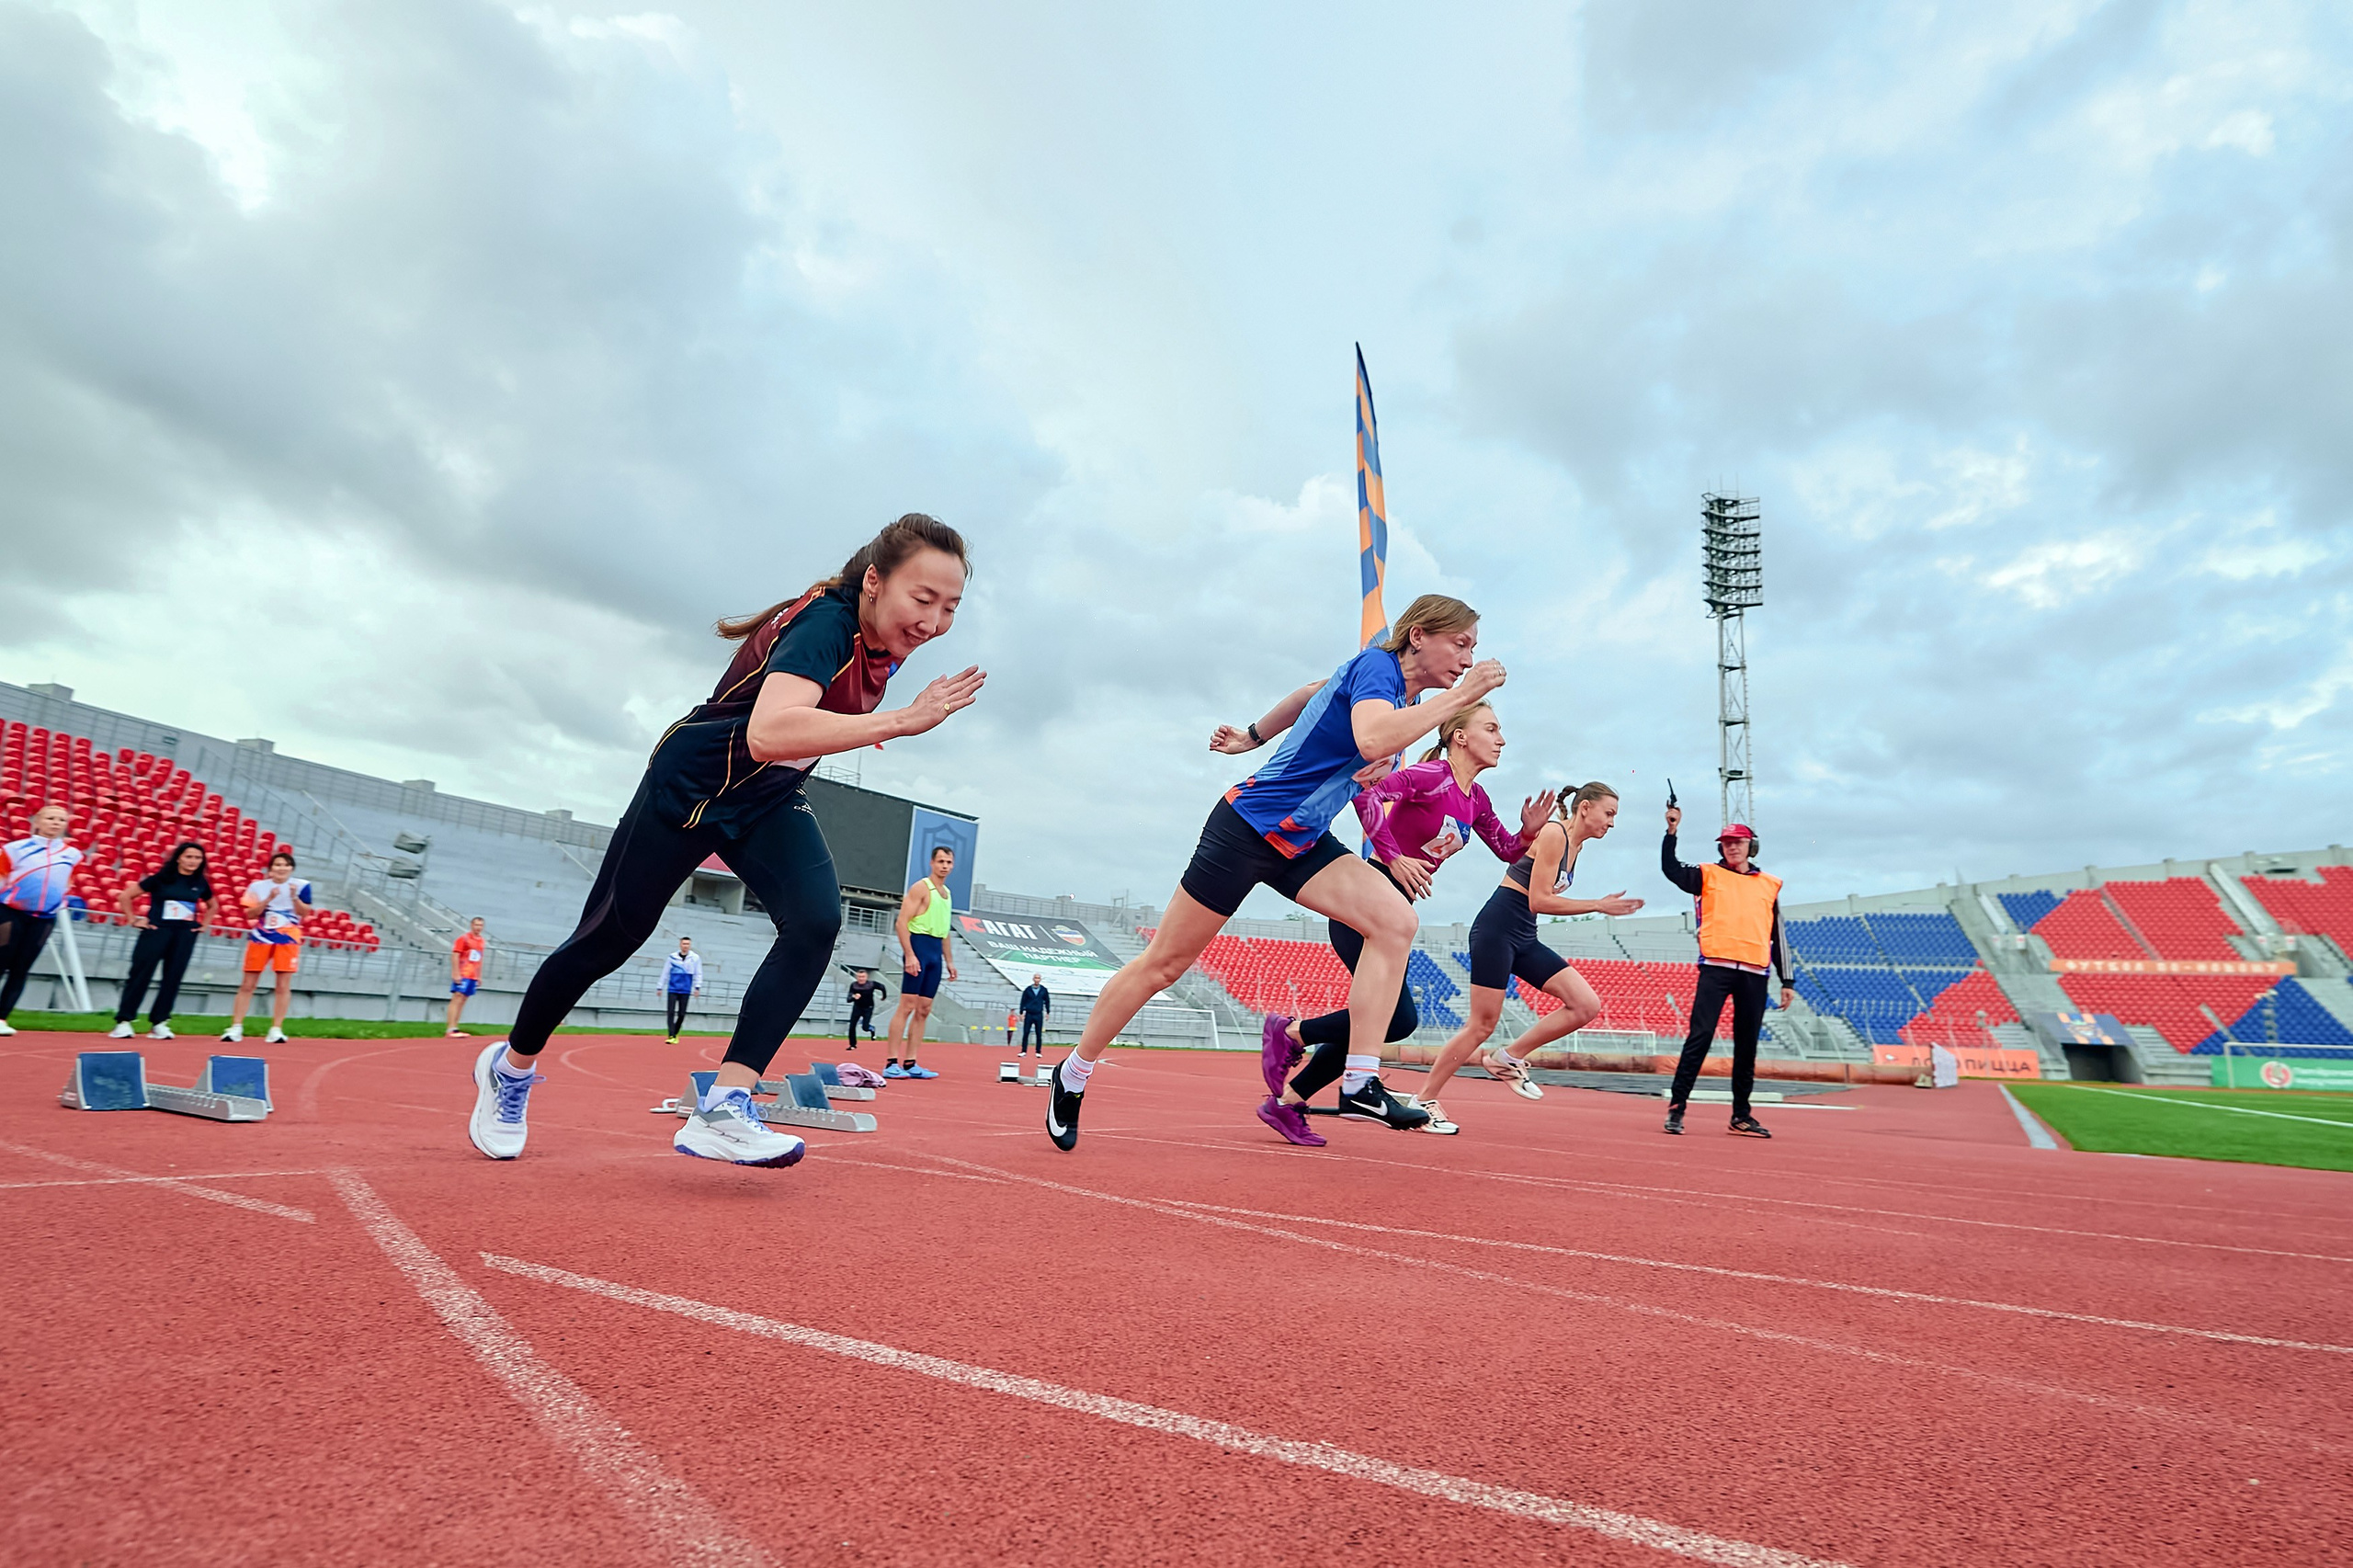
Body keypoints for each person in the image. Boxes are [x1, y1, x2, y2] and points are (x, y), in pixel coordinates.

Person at [464, 514, 983, 1165]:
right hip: (692, 792)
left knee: (817, 921)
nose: (933, 622)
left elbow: (790, 739)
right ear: (874, 582)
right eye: (923, 598)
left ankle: (726, 1107)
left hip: (765, 799)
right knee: (608, 939)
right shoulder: (827, 623)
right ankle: (509, 1070)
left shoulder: (883, 643)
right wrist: (902, 721)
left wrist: (875, 720)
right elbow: (767, 733)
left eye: (951, 606)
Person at [1045, 593, 1506, 1152]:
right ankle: (1073, 1071)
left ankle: (1360, 1079)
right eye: (1460, 643)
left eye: (1473, 649)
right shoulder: (1377, 667)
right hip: (1245, 828)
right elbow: (1372, 739)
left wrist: (1253, 736)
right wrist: (1463, 695)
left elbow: (1311, 694)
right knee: (1163, 965)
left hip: (1302, 841)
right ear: (1418, 637)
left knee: (1395, 922)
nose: (1468, 656)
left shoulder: (1397, 691)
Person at [1265, 703, 1554, 1132]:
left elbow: (1509, 851)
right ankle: (1291, 1034)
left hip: (1394, 914)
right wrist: (1394, 857)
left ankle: (1287, 1103)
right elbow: (1367, 796)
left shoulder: (1475, 799)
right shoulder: (1430, 776)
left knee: (1375, 1020)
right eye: (1491, 728)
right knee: (1395, 1020)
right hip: (1364, 905)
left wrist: (1529, 833)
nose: (1501, 739)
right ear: (1460, 737)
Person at [1411, 781, 1643, 1134]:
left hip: (1524, 935)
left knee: (1585, 1005)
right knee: (1481, 1026)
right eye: (1608, 814)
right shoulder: (1554, 834)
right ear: (1585, 808)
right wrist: (1598, 905)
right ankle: (1424, 1100)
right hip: (1497, 930)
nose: (1611, 823)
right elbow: (1539, 900)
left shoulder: (1576, 845)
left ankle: (1508, 1058)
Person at [1659, 806, 1792, 1138]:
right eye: (1727, 843)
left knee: (1747, 1046)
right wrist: (1671, 832)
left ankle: (1741, 1115)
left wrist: (1787, 980)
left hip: (1755, 973)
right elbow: (1671, 869)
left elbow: (1779, 936)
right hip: (1716, 969)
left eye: (1739, 842)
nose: (1733, 847)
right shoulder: (1707, 875)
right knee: (1699, 1038)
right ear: (1721, 848)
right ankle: (1677, 1108)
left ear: (1751, 846)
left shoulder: (1769, 885)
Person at [108, 840, 216, 1040]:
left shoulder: (199, 883)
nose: (193, 861)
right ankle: (124, 1021)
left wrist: (204, 925)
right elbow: (125, 896)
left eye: (198, 858)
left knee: (173, 978)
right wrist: (133, 920)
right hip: (156, 931)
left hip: (184, 935)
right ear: (178, 858)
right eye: (189, 857)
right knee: (140, 975)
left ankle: (160, 1022)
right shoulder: (161, 878)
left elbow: (213, 905)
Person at [0, 803, 83, 1035]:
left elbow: (68, 882)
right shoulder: (14, 849)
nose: (55, 823)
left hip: (44, 917)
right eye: (50, 818)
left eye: (61, 820)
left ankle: (2, 1018)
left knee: (21, 967)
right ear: (36, 821)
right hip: (11, 912)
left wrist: (60, 903)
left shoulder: (73, 854)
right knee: (1, 961)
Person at [883, 845, 958, 1078]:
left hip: (935, 953)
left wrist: (950, 962)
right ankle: (891, 1062)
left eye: (948, 862)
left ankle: (911, 1062)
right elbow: (901, 922)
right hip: (919, 948)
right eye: (941, 862)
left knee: (924, 1009)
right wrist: (910, 955)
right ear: (932, 863)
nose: (944, 866)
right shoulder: (921, 888)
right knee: (907, 1005)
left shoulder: (947, 894)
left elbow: (945, 932)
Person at [224, 850, 312, 1044]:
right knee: (248, 983)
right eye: (277, 865)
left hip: (288, 938)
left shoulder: (302, 886)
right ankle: (236, 1026)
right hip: (261, 937)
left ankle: (276, 1029)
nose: (282, 869)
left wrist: (294, 897)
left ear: (291, 869)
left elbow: (305, 912)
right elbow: (250, 914)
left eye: (286, 865)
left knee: (282, 985)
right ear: (270, 869)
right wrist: (268, 900)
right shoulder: (258, 886)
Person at [447, 916, 488, 1037]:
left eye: (480, 925)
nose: (478, 928)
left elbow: (480, 958)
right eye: (476, 925)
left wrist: (479, 976)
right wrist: (455, 972)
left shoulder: (481, 941)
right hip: (463, 972)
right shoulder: (463, 939)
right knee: (457, 997)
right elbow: (455, 955)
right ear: (471, 925)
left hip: (472, 975)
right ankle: (450, 1028)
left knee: (464, 999)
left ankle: (455, 1026)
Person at [661, 936, 702, 1044]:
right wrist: (660, 986)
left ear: (690, 945)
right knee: (670, 1012)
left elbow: (698, 973)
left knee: (681, 1014)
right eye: (684, 944)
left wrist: (697, 987)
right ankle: (671, 1035)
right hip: (673, 988)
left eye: (687, 944)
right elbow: (665, 972)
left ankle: (675, 1032)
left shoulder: (695, 958)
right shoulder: (672, 957)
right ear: (680, 945)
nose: (685, 946)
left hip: (685, 989)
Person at [844, 968, 886, 1050]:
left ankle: (872, 1029)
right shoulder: (854, 985)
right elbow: (848, 999)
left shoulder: (871, 984)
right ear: (857, 977)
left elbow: (882, 987)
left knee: (865, 1027)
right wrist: (854, 997)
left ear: (866, 977)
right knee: (852, 1026)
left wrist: (884, 997)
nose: (861, 979)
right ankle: (852, 1045)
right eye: (859, 977)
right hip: (857, 1008)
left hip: (868, 1008)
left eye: (863, 977)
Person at [1017, 972, 1051, 1058]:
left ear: (1040, 979)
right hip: (1029, 1014)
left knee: (1038, 1033)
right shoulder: (1028, 989)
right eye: (1035, 978)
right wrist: (1021, 1013)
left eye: (1038, 978)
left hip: (1038, 1014)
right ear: (1033, 979)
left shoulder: (1043, 990)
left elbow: (1047, 1001)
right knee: (1026, 1033)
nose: (1037, 979)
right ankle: (1024, 1051)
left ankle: (1038, 1051)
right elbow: (1023, 1001)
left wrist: (1048, 1012)